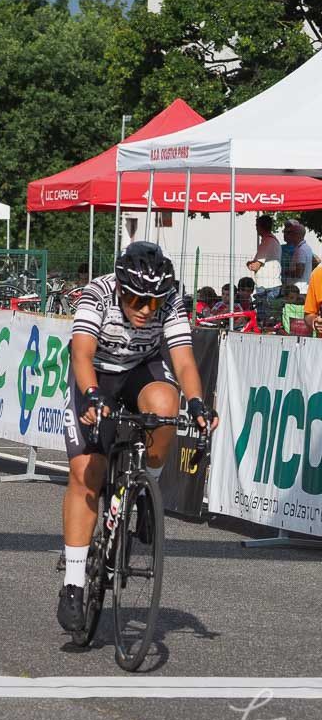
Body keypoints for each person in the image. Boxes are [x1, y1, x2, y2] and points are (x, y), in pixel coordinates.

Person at [56, 242, 216, 632]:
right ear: (121, 288)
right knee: (87, 471)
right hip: (96, 375)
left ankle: (147, 489)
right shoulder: (98, 294)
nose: (146, 309)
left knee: (166, 405)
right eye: (137, 300)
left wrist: (198, 403)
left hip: (141, 370)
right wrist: (91, 396)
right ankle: (73, 583)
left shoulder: (169, 301)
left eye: (154, 302)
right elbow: (81, 353)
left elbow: (183, 360)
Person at [247, 214, 283, 289]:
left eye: (256, 225)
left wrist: (249, 264)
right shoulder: (273, 240)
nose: (256, 228)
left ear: (260, 226)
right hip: (272, 284)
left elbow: (255, 266)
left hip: (266, 286)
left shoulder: (267, 242)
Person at [282, 219, 315, 284]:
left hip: (297, 287)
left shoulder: (301, 250)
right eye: (284, 231)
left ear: (297, 234)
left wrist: (285, 272)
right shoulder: (304, 248)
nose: (286, 234)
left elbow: (299, 273)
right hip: (291, 286)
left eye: (289, 232)